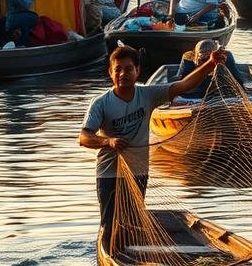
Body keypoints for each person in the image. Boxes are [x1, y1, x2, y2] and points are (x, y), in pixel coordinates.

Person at [79, 44, 225, 234]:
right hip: (109, 174)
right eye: (118, 69)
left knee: (133, 223)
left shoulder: (147, 95)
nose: (123, 73)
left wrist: (211, 63)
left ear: (137, 71)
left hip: (138, 171)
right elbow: (84, 137)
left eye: (129, 69)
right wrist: (108, 142)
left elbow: (184, 85)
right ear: (110, 72)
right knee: (110, 227)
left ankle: (133, 259)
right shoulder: (101, 103)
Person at [173, 39, 252, 99]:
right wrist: (199, 66)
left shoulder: (224, 55)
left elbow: (236, 78)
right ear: (196, 55)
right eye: (203, 54)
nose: (208, 58)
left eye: (210, 54)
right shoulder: (188, 58)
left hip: (219, 90)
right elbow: (180, 85)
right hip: (195, 91)